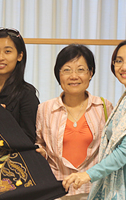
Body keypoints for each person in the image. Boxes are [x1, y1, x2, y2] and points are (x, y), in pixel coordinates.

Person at [63, 39, 126, 200]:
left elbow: (125, 151)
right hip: (123, 184)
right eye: (119, 61)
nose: (124, 67)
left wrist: (88, 175)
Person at [35, 44, 113, 199]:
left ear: (90, 73)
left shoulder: (104, 107)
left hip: (95, 190)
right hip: (56, 190)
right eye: (67, 70)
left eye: (81, 69)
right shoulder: (44, 109)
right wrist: (40, 153)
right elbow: (39, 144)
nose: (74, 76)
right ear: (58, 75)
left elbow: (112, 149)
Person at [0, 28, 39, 143]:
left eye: (7, 51)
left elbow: (29, 139)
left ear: (20, 56)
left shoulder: (26, 94)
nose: (0, 57)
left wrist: (3, 118)